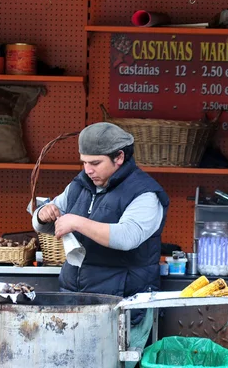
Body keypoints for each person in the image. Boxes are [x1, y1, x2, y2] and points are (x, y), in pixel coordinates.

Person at [30, 122, 169, 363]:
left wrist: (77, 222)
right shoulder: (80, 184)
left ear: (119, 158)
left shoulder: (145, 193)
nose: (88, 169)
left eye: (95, 163)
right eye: (84, 162)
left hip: (122, 308)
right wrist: (43, 214)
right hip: (75, 302)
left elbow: (127, 237)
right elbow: (44, 218)